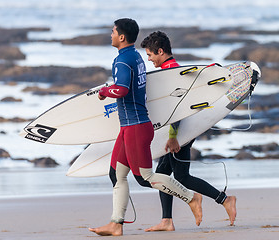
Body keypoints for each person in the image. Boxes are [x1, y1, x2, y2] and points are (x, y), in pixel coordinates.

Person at [88, 19, 203, 237]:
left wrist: (105, 92)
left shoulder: (122, 61)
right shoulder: (137, 58)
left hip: (136, 127)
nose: (110, 35)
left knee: (145, 177)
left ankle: (191, 197)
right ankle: (116, 224)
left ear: (121, 37)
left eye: (113, 32)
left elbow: (121, 89)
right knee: (117, 174)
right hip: (129, 127)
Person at [140, 31, 237, 232]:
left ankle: (225, 200)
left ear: (160, 51)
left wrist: (174, 137)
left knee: (182, 177)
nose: (149, 60)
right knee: (162, 173)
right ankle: (166, 220)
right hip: (177, 133)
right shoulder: (170, 71)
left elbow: (179, 109)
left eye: (150, 55)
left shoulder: (172, 73)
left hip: (180, 133)